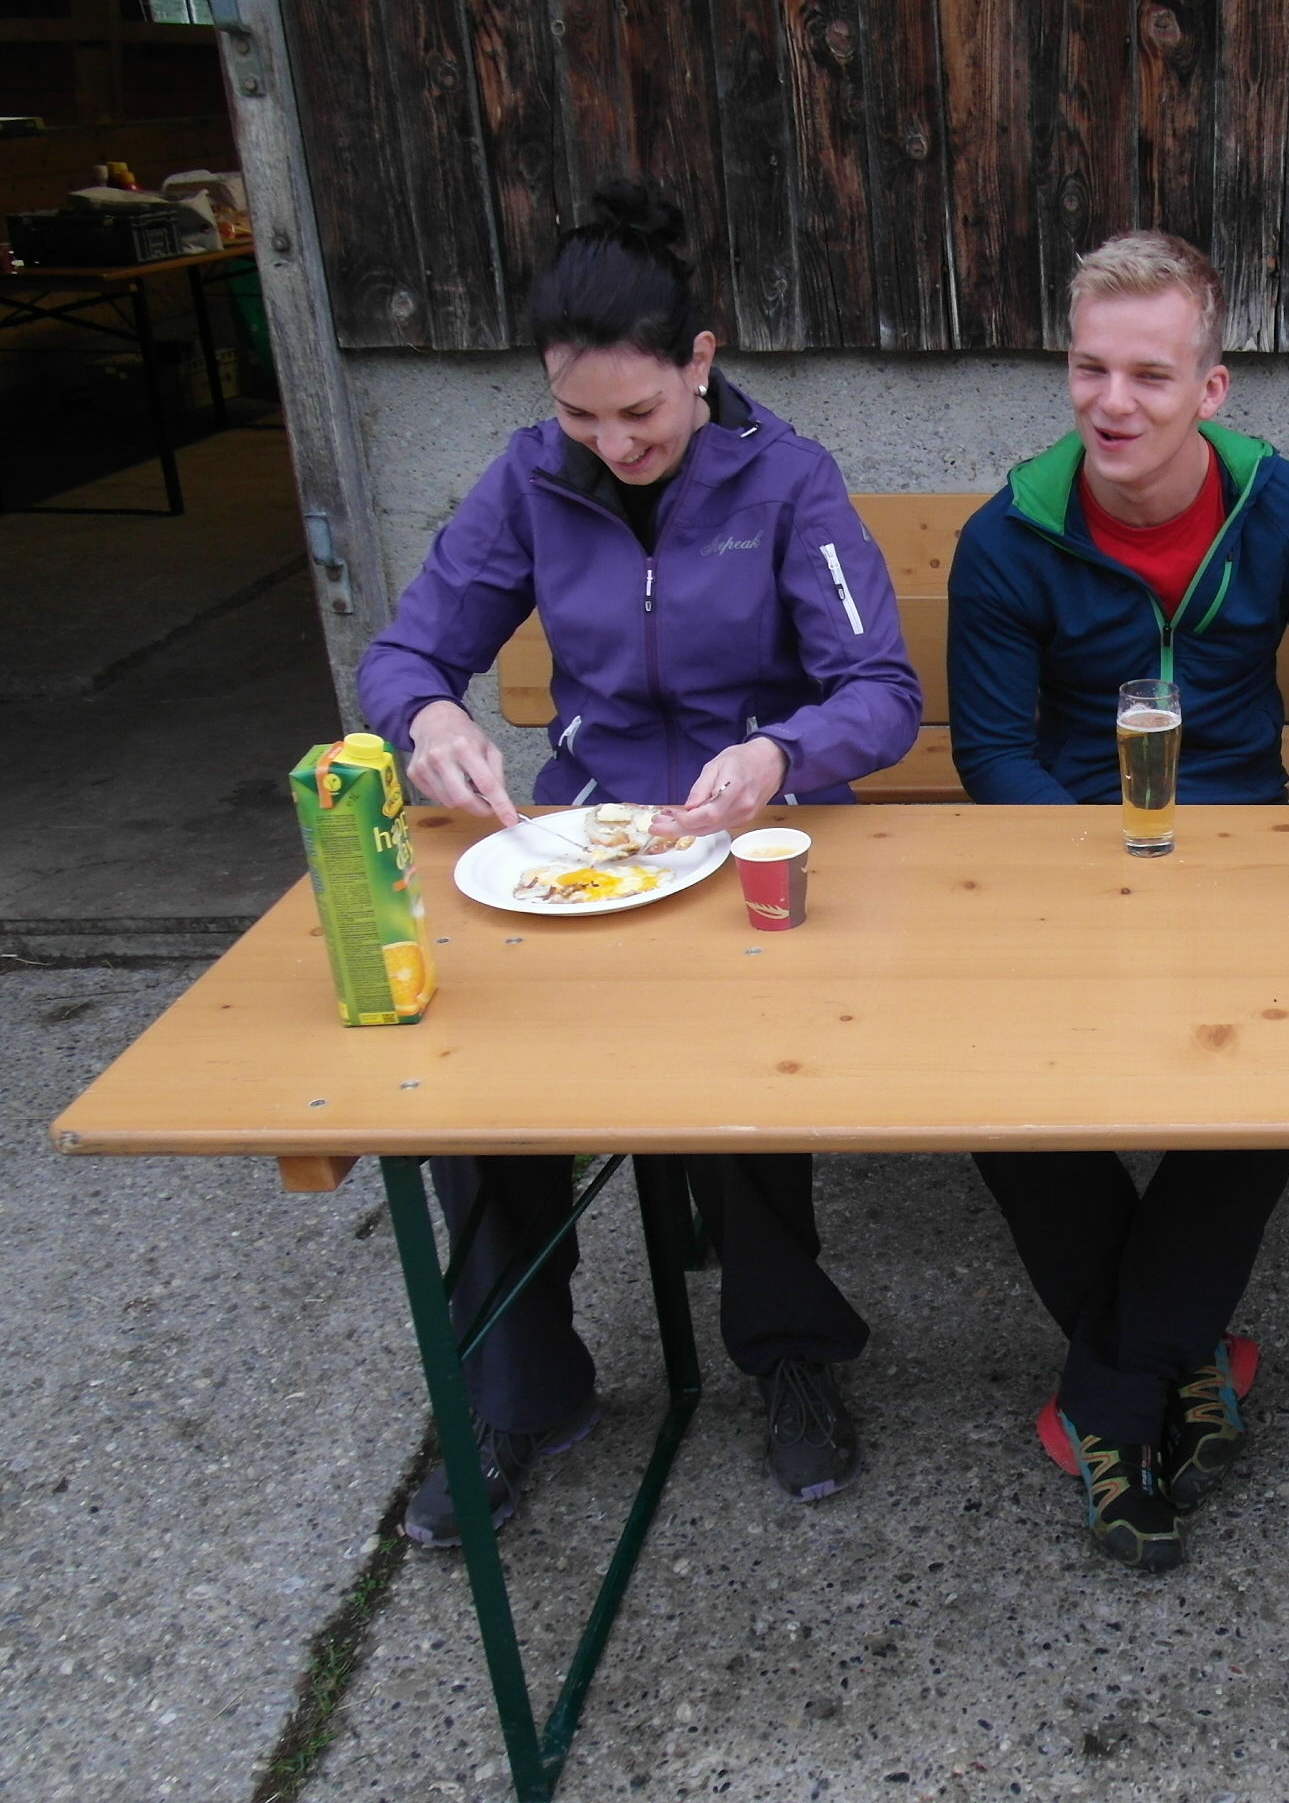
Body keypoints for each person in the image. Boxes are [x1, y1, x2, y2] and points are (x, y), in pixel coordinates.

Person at [357, 179, 921, 1545]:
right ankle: (520, 1392)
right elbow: (406, 652)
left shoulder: (787, 481)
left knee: (750, 1070)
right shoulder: (528, 481)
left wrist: (781, 752)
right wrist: (427, 719)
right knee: (471, 1087)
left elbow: (881, 692)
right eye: (581, 418)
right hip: (584, 844)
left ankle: (788, 1350)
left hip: (747, 843)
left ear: (701, 362)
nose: (614, 446)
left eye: (642, 416)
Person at [947, 231, 1289, 1571]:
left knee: (1280, 1081)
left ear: (1211, 387)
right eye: (1090, 368)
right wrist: (1096, 878)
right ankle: (1181, 1358)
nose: (1112, 402)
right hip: (1064, 866)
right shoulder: (1008, 537)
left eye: (1149, 374)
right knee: (989, 1086)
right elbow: (991, 751)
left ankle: (1110, 1401)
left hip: (1251, 867)